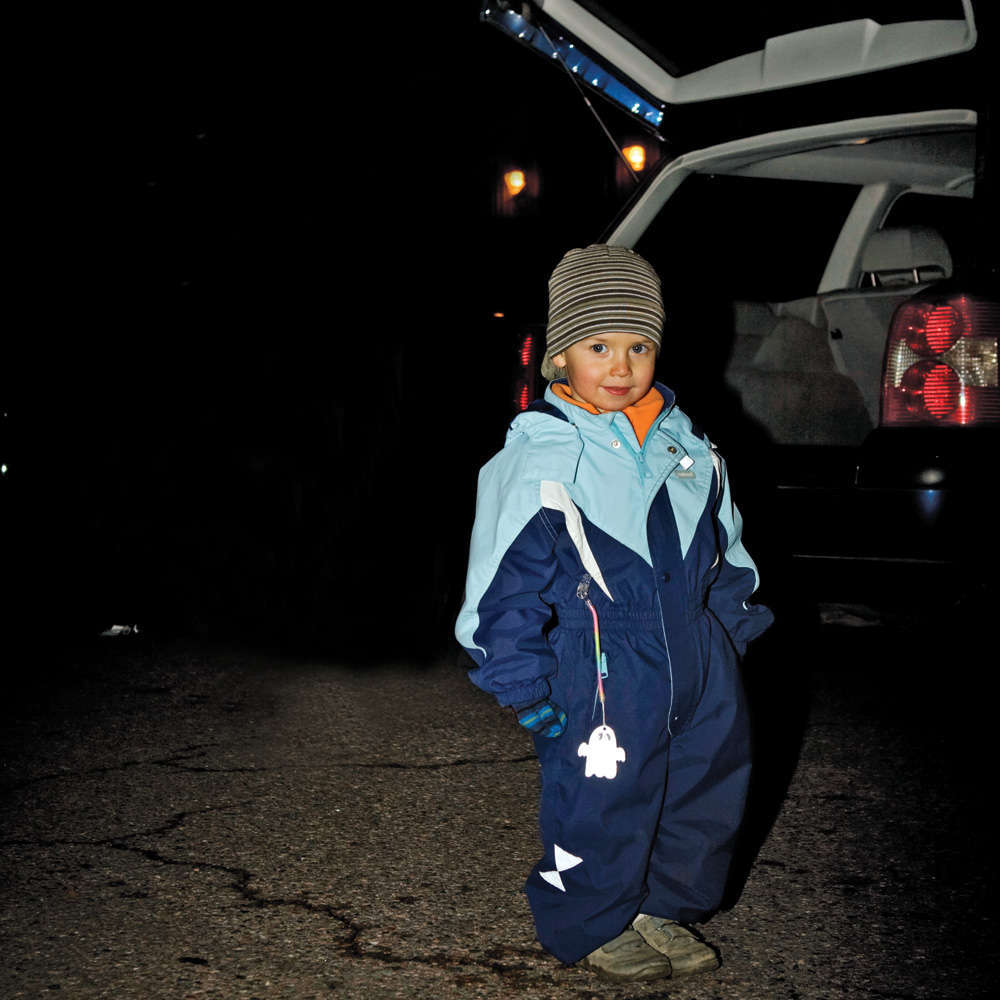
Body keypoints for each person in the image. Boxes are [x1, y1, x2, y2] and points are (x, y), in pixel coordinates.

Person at [455, 244, 774, 982]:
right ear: (560, 356)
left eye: (639, 346)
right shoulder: (545, 455)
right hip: (603, 660)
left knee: (703, 789)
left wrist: (732, 631)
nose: (622, 365)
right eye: (598, 346)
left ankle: (662, 905)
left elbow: (727, 548)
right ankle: (593, 919)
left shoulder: (689, 446)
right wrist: (521, 680)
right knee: (601, 800)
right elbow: (500, 585)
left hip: (697, 652)